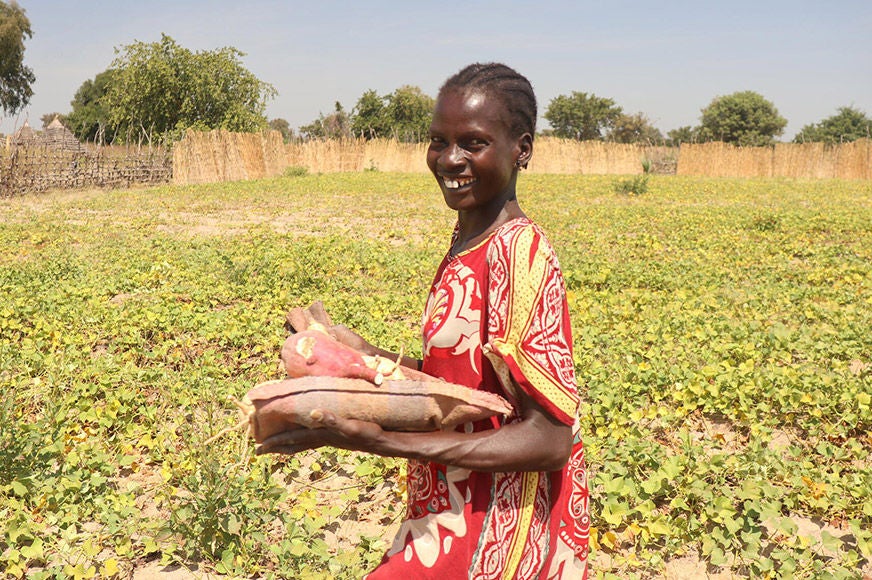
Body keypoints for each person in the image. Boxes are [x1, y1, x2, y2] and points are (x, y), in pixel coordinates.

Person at [258, 62, 589, 579]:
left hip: (499, 524)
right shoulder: (467, 242)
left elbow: (550, 438)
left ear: (521, 149)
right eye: (438, 140)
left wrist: (377, 440)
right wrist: (364, 354)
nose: (449, 159)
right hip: (450, 504)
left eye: (472, 143)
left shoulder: (519, 256)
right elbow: (466, 385)